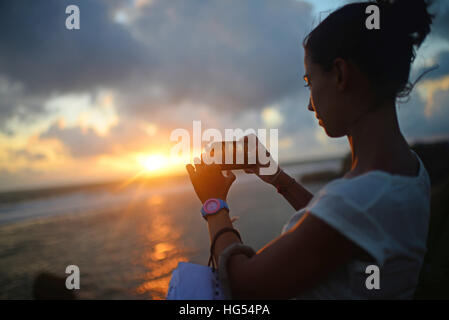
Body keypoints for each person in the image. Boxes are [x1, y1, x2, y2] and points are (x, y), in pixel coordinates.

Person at [185, 0, 433, 299]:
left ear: (340, 74)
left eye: (309, 81)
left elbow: (244, 286)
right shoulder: (408, 170)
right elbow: (339, 227)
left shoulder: (359, 201)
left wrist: (214, 204)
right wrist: (276, 177)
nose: (310, 103)